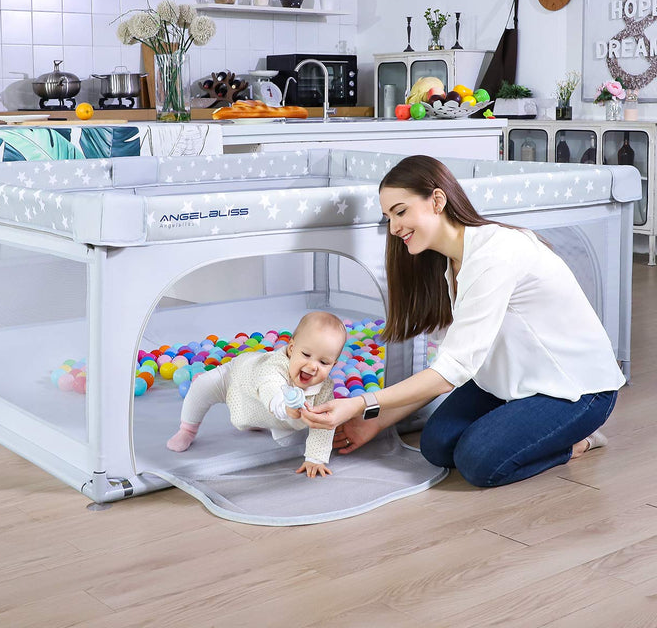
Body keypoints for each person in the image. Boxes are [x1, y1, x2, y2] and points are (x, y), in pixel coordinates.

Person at [301, 155, 625, 488]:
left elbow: (449, 373)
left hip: (577, 389)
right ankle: (527, 429)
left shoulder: (494, 254)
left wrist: (361, 404)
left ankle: (577, 442)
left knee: (477, 462)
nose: (394, 227)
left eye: (400, 211)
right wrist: (376, 423)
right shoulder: (447, 264)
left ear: (437, 201)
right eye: (388, 217)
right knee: (436, 445)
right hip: (511, 383)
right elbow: (449, 366)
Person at [167, 310, 347, 478]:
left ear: (333, 364)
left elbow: (323, 424)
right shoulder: (274, 367)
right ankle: (187, 429)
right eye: (306, 354)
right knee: (202, 386)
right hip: (237, 379)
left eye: (324, 362)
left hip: (270, 414)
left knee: (291, 441)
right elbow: (270, 388)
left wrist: (315, 459)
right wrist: (284, 406)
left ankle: (263, 423)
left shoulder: (324, 389)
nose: (313, 366)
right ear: (291, 348)